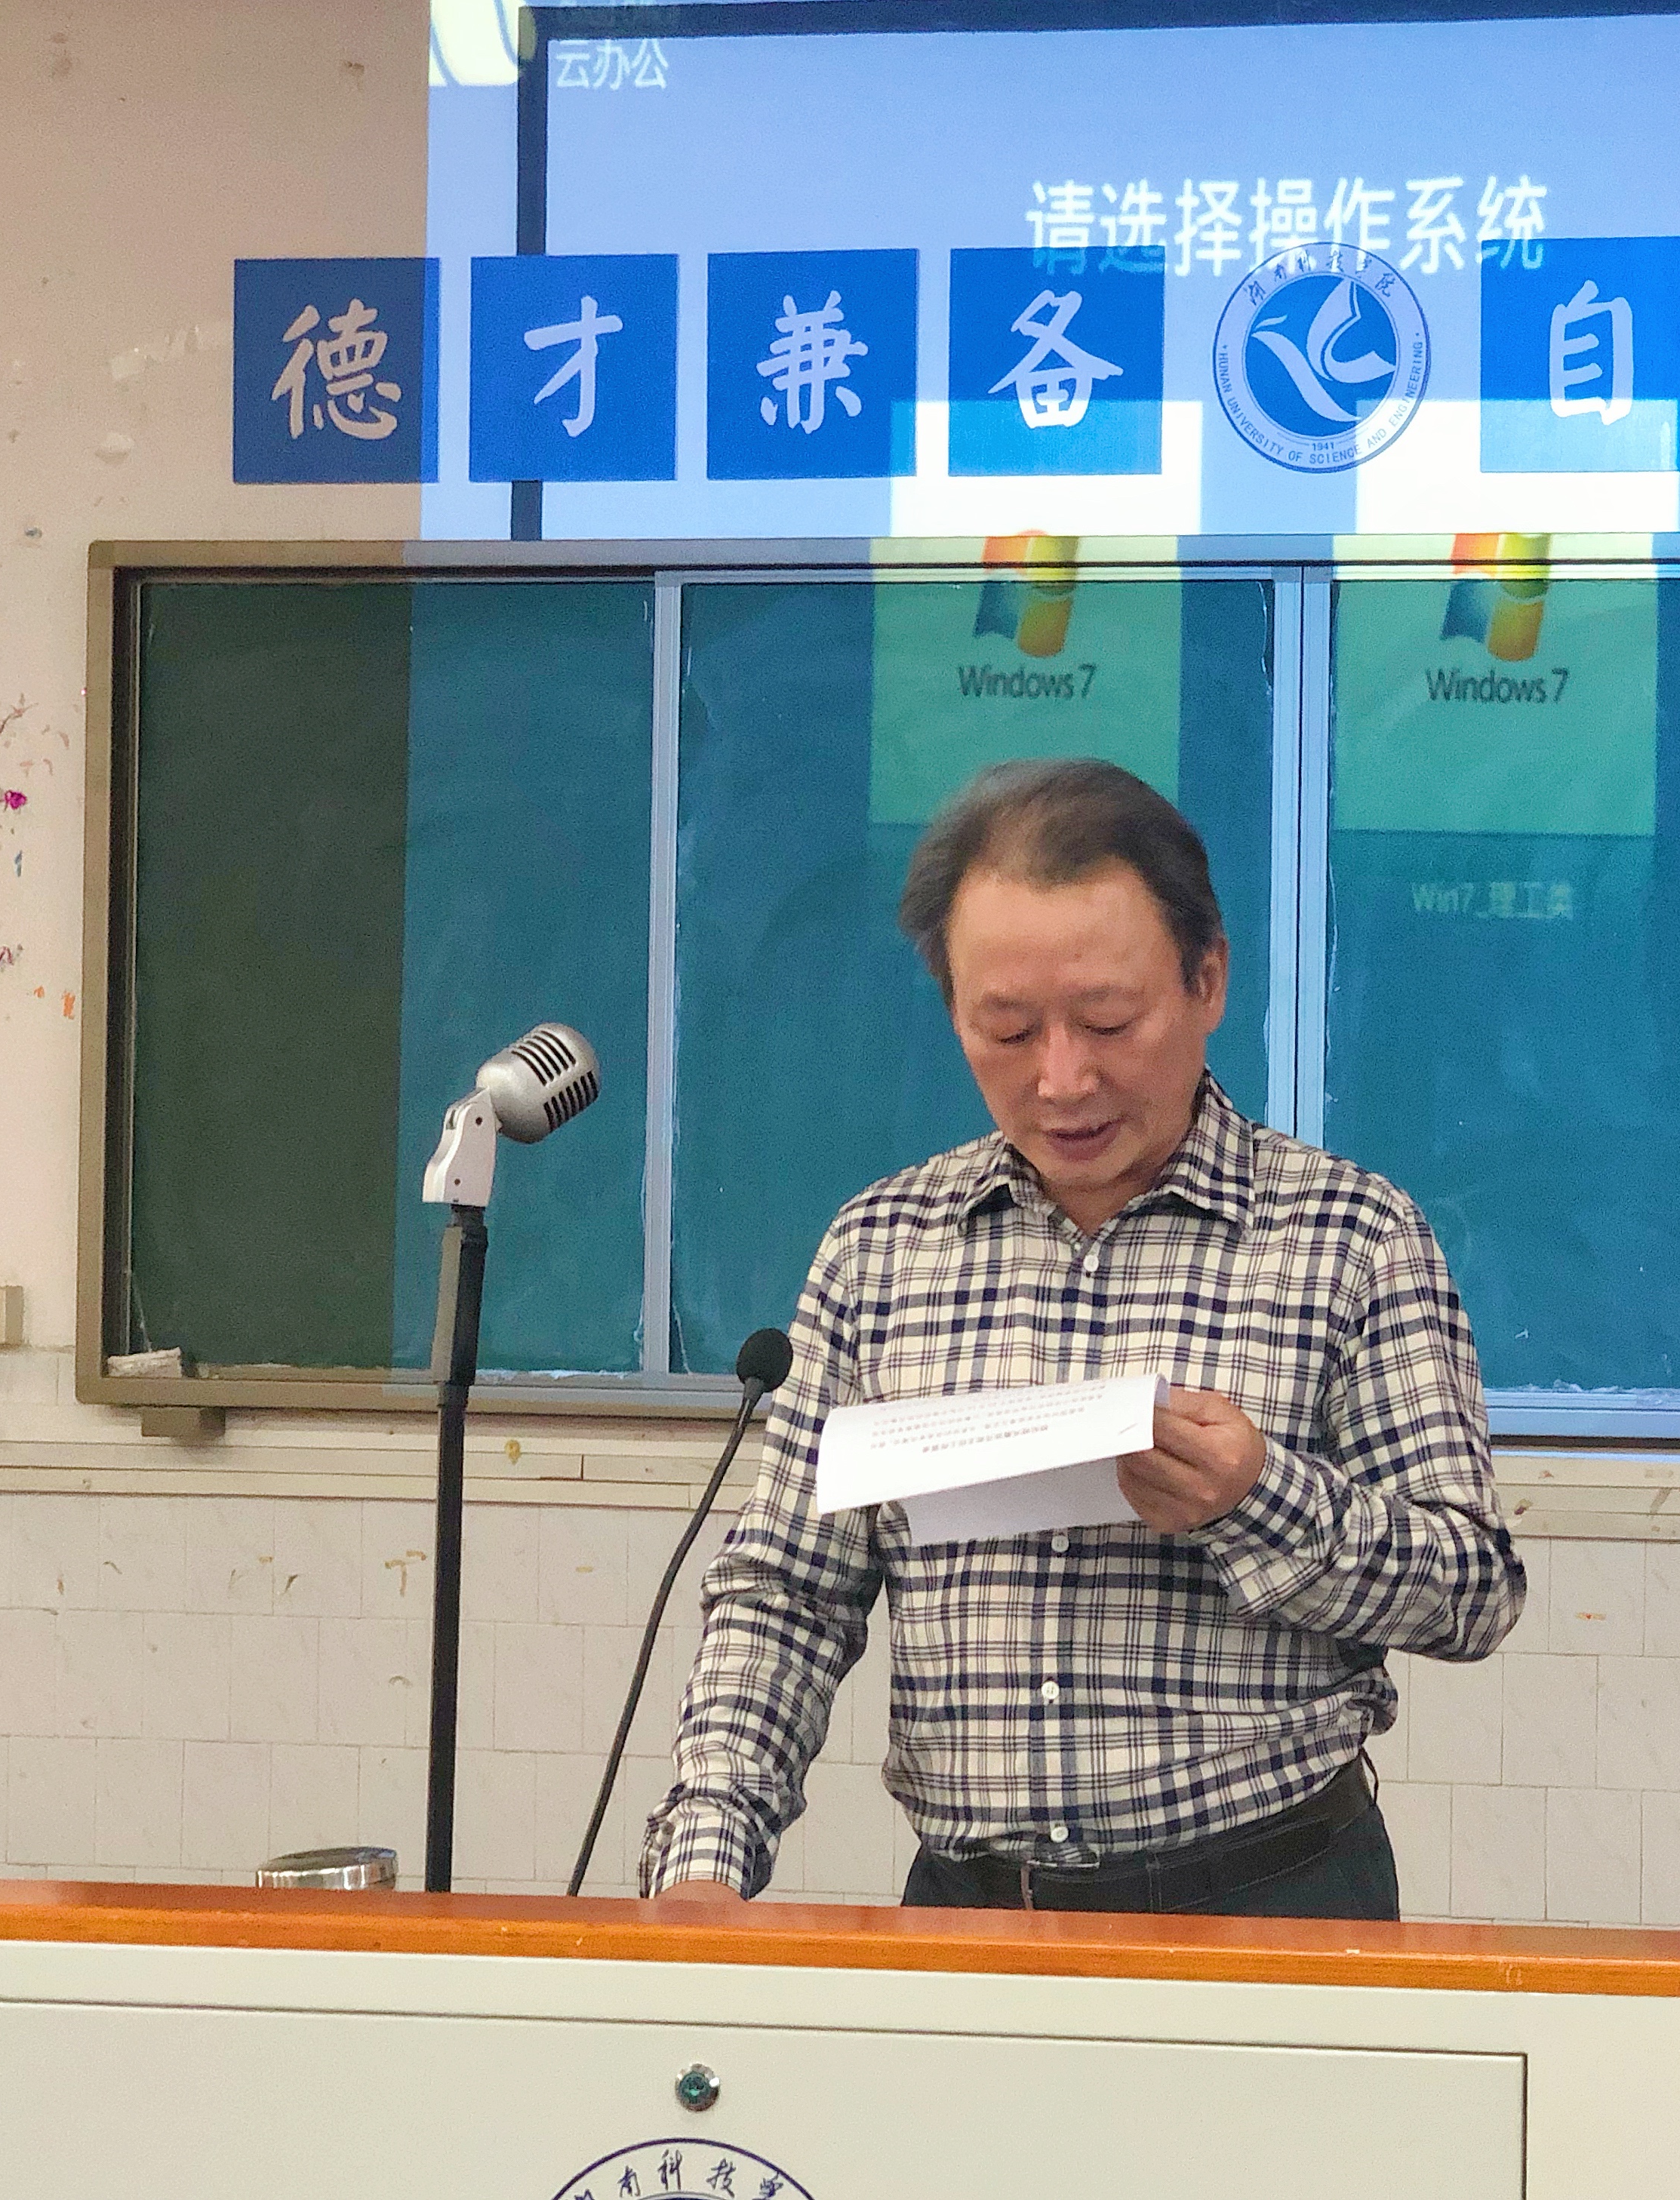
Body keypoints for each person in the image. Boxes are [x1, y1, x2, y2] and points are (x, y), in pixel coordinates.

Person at [642, 757, 1524, 1918]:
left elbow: (1470, 1591)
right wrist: (705, 1859)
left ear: (1207, 980)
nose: (1061, 1080)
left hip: (1274, 1904)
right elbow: (786, 1596)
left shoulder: (1349, 1239)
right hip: (968, 1916)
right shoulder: (881, 1249)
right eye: (1006, 1030)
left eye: (1108, 1021)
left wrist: (1256, 1498)